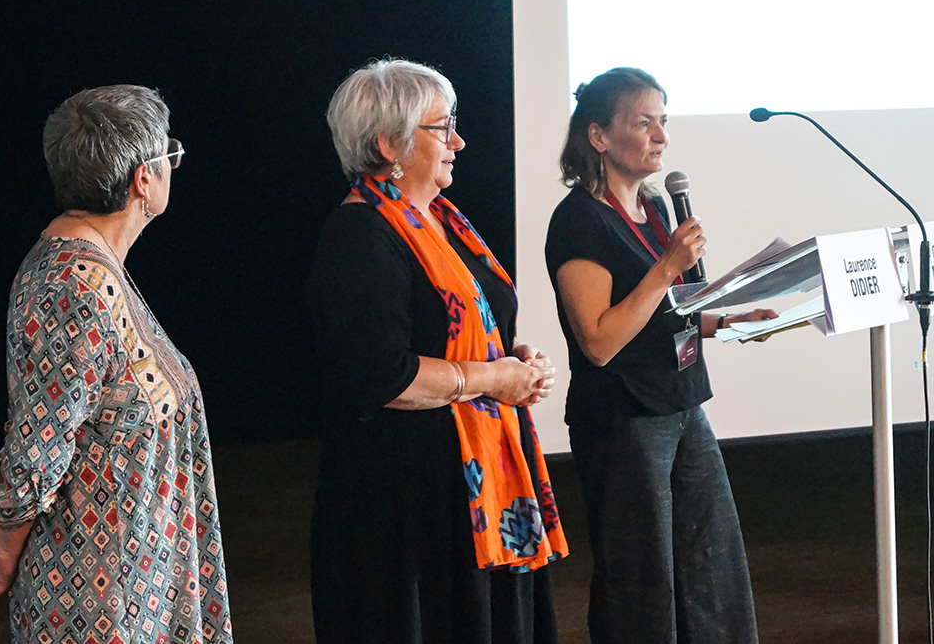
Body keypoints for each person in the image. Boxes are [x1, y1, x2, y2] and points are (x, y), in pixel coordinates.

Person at [0, 85, 232, 644]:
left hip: (134, 579)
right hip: (100, 594)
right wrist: (5, 540)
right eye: (171, 155)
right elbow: (40, 439)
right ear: (143, 179)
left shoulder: (94, 268)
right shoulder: (73, 286)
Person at [308, 58, 569, 644]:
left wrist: (514, 359)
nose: (459, 141)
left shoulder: (441, 221)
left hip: (476, 488)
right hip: (409, 508)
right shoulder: (360, 235)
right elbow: (385, 375)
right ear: (388, 143)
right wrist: (493, 379)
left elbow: (466, 328)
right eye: (442, 127)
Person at [544, 67, 776, 644]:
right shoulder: (579, 220)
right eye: (643, 122)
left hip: (681, 402)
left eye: (663, 121)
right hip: (623, 417)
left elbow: (665, 314)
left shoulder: (653, 209)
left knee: (712, 564)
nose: (661, 136)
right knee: (641, 578)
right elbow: (599, 342)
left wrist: (729, 321)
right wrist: (668, 265)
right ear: (599, 136)